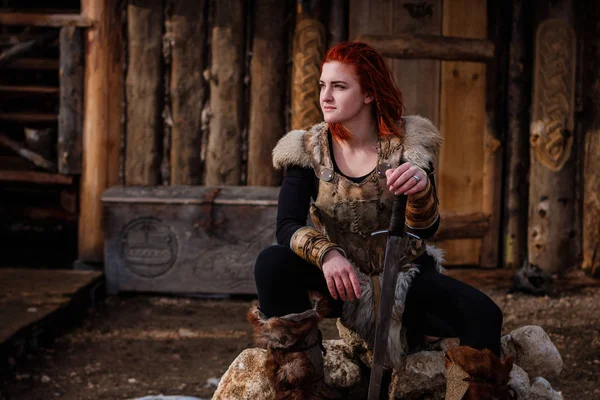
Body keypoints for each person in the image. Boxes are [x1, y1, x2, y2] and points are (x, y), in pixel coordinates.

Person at [248, 41, 512, 399]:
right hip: (342, 284)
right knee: (272, 264)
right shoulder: (308, 149)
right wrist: (327, 255)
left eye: (339, 87)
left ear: (370, 93)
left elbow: (426, 228)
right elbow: (287, 226)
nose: (326, 95)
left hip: (403, 277)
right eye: (323, 85)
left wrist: (421, 192)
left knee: (483, 314)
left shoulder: (408, 145)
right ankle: (300, 388)